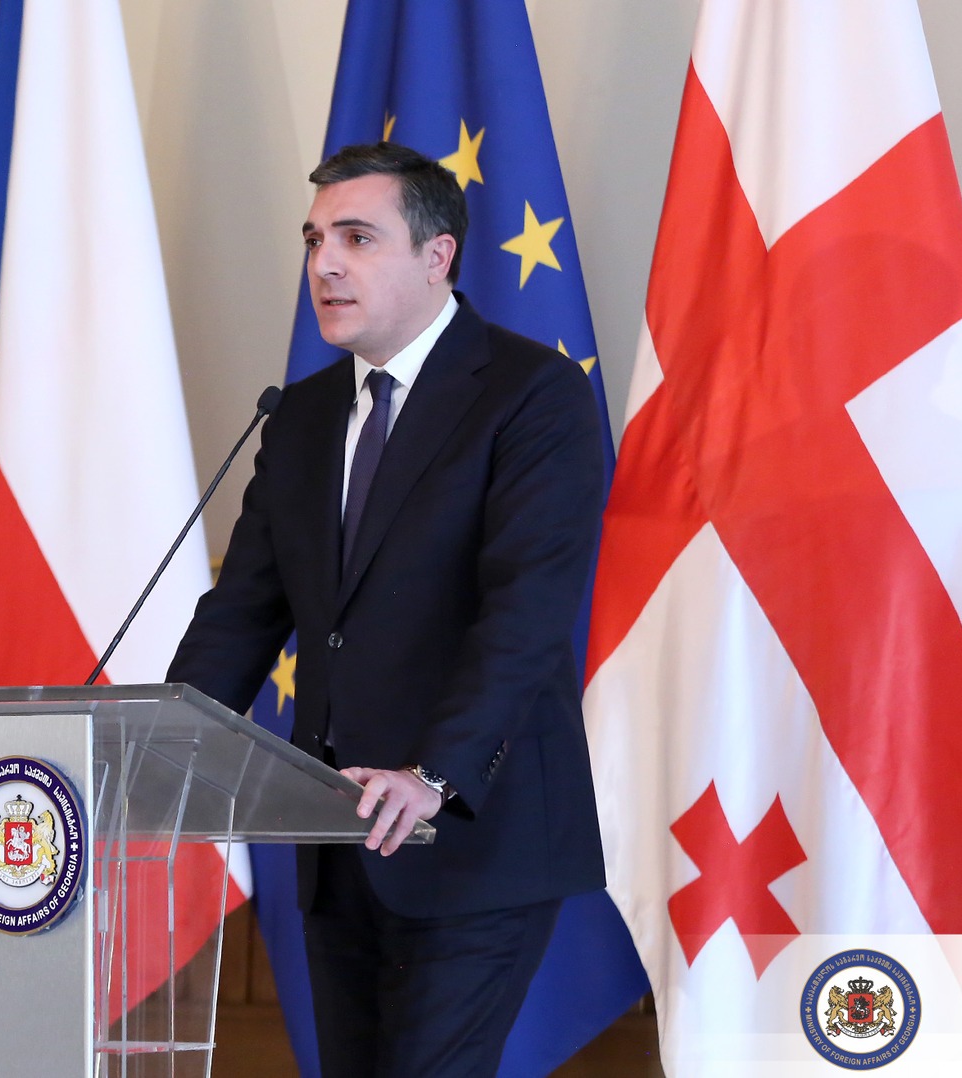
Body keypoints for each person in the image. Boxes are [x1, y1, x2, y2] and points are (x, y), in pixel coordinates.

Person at [166, 143, 608, 1076]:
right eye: (315, 239)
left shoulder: (532, 395)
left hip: (472, 836)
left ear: (438, 255)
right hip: (337, 841)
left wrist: (433, 773)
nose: (324, 264)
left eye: (357, 238)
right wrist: (163, 744)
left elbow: (525, 615)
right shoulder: (302, 416)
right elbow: (243, 611)